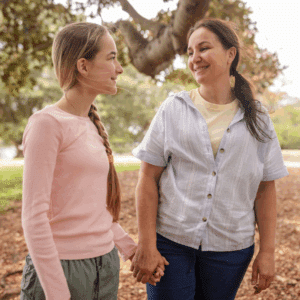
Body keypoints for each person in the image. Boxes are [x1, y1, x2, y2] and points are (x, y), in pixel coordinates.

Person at [130, 18, 289, 300]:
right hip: (170, 242)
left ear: (230, 54)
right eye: (190, 52)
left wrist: (267, 251)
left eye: (203, 48)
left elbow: (265, 189)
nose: (194, 59)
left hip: (230, 249)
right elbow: (147, 177)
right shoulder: (173, 108)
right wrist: (147, 242)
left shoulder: (259, 118)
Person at [20, 22, 165, 300]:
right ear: (83, 66)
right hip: (62, 270)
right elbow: (33, 218)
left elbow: (95, 211)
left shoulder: (91, 124)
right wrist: (58, 294)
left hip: (104, 266)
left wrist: (130, 249)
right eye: (111, 58)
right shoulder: (46, 124)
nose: (119, 69)